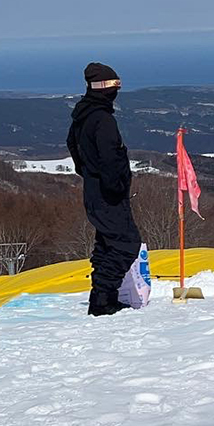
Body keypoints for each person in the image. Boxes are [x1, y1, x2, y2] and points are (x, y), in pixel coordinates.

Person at [66, 62, 141, 316]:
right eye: (114, 85)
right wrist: (115, 184)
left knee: (107, 243)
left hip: (94, 191)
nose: (116, 90)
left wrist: (86, 171)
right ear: (103, 88)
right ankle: (102, 301)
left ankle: (100, 298)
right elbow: (110, 157)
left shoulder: (83, 114)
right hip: (108, 195)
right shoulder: (103, 119)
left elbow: (72, 145)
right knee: (126, 244)